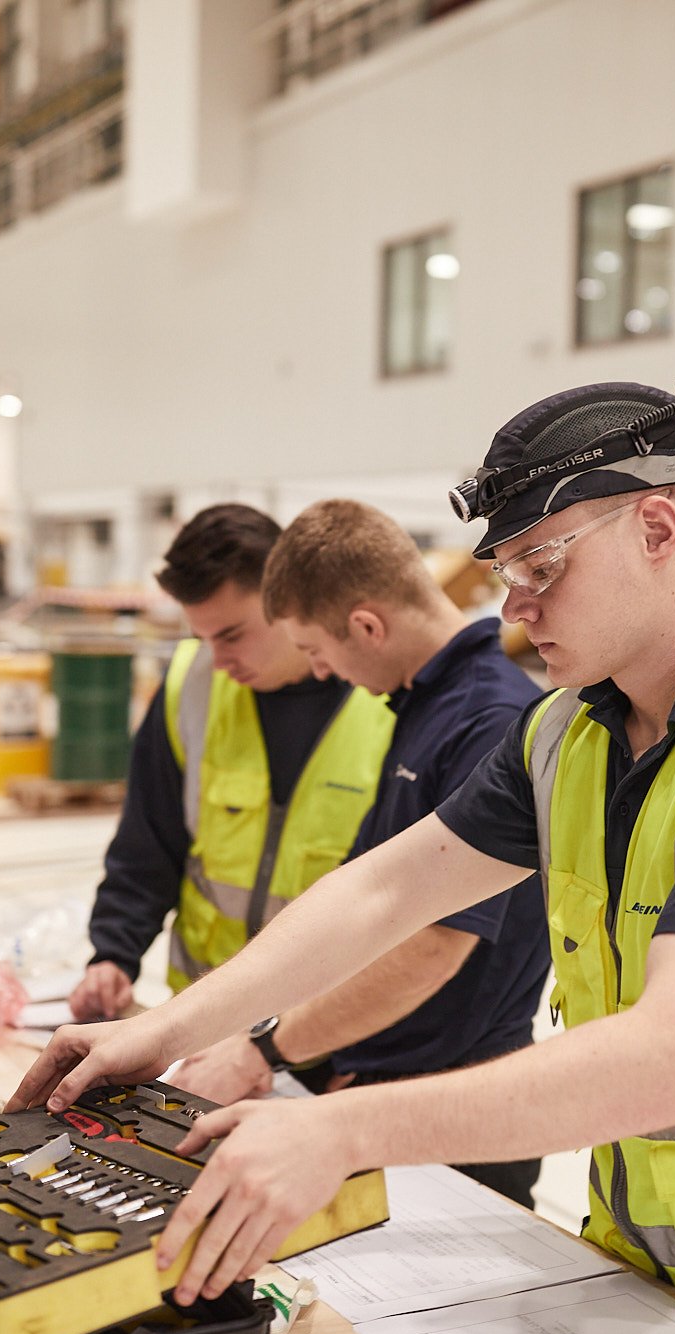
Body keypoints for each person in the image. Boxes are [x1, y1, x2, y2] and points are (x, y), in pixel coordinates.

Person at [14, 378, 675, 1334]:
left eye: (542, 564)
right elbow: (383, 893)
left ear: (656, 528)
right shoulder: (565, 734)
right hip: (651, 1279)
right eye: (507, 571)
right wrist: (161, 1032)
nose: (514, 604)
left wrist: (339, 1132)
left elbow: (673, 1063)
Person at [172, 497, 550, 1207]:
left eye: (318, 651)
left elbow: (434, 947)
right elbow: (368, 906)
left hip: (454, 1114)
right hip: (384, 1082)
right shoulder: (425, 706)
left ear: (368, 626)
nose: (320, 673)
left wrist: (265, 1050)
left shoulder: (488, 720)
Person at [66, 504, 393, 1021]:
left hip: (326, 1030)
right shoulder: (190, 687)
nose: (217, 661)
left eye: (231, 635)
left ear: (291, 599)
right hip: (202, 1022)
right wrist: (114, 954)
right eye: (202, 638)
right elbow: (147, 843)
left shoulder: (386, 699)